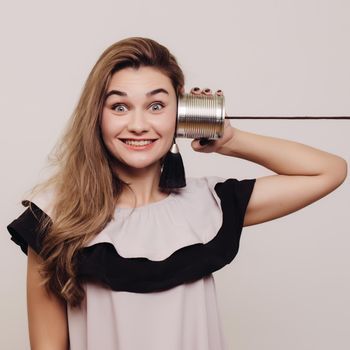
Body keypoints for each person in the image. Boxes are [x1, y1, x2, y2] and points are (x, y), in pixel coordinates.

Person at [6, 36, 347, 350]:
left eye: (156, 106)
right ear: (96, 116)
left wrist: (230, 139)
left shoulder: (209, 205)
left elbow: (329, 171)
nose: (138, 125)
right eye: (119, 107)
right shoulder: (54, 217)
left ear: (180, 115)